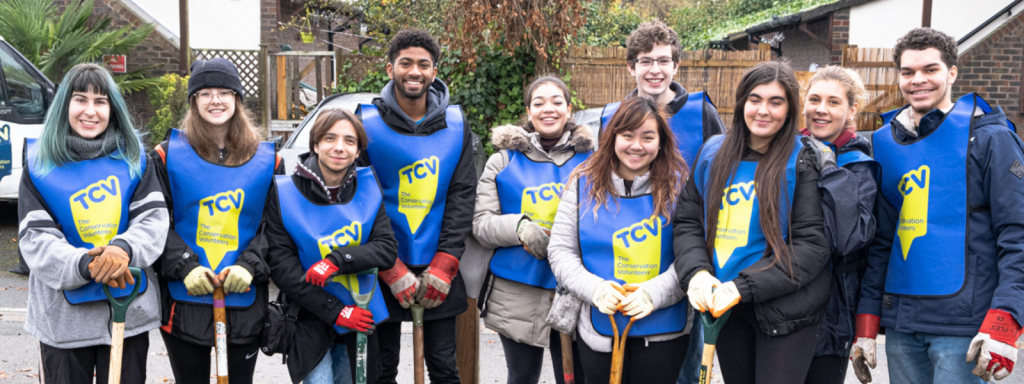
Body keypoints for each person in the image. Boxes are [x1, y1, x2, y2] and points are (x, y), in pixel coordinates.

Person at [851, 28, 1024, 384]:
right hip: (901, 326)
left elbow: (1017, 235)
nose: (918, 80)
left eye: (930, 70)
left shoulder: (991, 138)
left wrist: (1007, 320)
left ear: (952, 73)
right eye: (908, 72)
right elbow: (881, 243)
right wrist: (866, 325)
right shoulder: (884, 144)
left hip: (963, 327)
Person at [673, 61, 830, 384]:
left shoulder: (803, 160)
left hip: (785, 313)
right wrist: (697, 274)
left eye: (776, 102)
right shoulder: (712, 153)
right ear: (742, 101)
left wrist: (741, 287)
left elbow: (811, 247)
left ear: (790, 109)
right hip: (728, 309)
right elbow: (687, 222)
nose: (763, 110)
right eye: (755, 99)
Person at [18, 63, 168, 383]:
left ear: (112, 108)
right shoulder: (38, 165)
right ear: (64, 105)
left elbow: (153, 220)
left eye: (100, 101)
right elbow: (35, 238)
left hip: (126, 317)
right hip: (62, 322)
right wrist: (85, 264)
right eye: (80, 99)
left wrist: (122, 249)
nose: (91, 111)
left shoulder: (135, 159)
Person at [598, 21, 726, 384]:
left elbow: (723, 173)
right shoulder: (611, 117)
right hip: (632, 251)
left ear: (676, 66)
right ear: (630, 67)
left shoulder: (702, 113)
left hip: (691, 251)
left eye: (663, 60)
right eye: (645, 61)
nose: (655, 69)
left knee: (688, 364)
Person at [355, 28, 476, 384]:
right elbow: (359, 199)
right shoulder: (364, 122)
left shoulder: (456, 124)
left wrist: (445, 264)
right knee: (382, 369)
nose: (414, 71)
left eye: (424, 64)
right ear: (390, 69)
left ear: (434, 72)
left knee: (444, 368)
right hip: (382, 264)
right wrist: (389, 267)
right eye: (405, 63)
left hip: (438, 265)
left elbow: (462, 194)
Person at [152, 58, 284, 384]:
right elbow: (154, 221)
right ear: (193, 101)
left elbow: (276, 228)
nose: (215, 100)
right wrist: (185, 266)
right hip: (184, 299)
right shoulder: (166, 156)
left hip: (244, 297)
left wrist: (250, 266)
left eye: (224, 92)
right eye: (205, 92)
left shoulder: (269, 161)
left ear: (237, 99)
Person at [548, 96, 691, 384]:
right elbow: (561, 250)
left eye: (648, 137)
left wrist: (655, 293)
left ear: (661, 142)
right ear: (612, 137)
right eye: (627, 135)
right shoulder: (581, 183)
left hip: (664, 332)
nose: (636, 145)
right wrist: (595, 288)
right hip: (598, 329)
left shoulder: (681, 186)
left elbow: (693, 255)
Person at [465, 76, 593, 384]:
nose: (548, 109)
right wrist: (519, 227)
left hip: (574, 289)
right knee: (521, 376)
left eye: (556, 102)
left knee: (573, 377)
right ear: (528, 111)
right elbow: (481, 223)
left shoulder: (593, 161)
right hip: (516, 292)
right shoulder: (502, 161)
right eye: (539, 103)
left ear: (569, 109)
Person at [264, 108, 398, 383]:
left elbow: (386, 248)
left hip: (362, 314)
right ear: (315, 144)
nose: (339, 148)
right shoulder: (284, 192)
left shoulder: (369, 188)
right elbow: (282, 266)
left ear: (359, 149)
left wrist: (337, 260)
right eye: (329, 138)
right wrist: (337, 311)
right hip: (309, 316)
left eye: (350, 141)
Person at [798, 66, 878, 384]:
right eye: (815, 99)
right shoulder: (785, 152)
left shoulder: (859, 165)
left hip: (830, 311)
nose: (821, 109)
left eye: (833, 102)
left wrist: (829, 168)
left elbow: (849, 238)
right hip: (775, 301)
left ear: (851, 109)